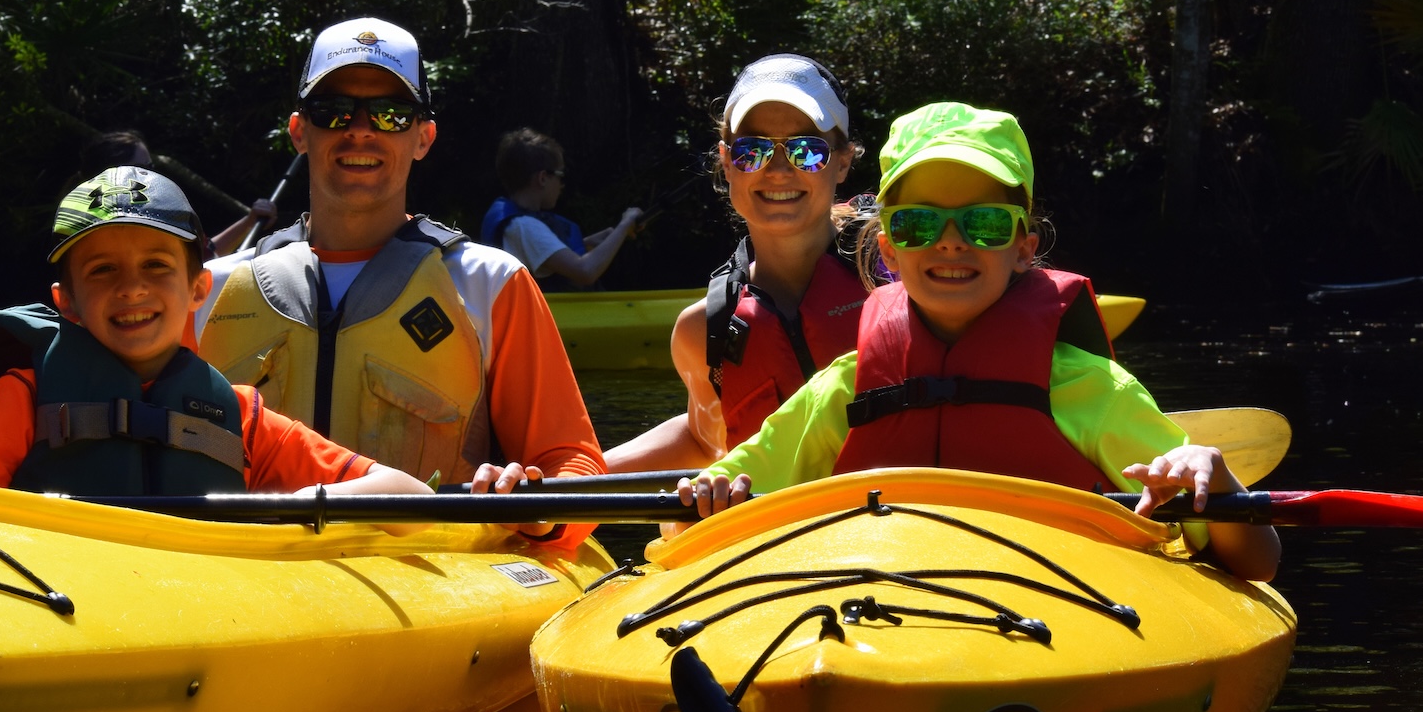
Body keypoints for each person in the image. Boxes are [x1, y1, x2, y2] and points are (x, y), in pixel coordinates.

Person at [676, 102, 1280, 583]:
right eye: (917, 223)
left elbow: (1257, 562)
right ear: (887, 249)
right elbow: (726, 495)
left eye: (984, 222)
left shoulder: (1089, 390)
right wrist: (711, 491)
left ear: (1023, 244)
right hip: (871, 613)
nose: (950, 242)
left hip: (1059, 616)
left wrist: (1215, 477)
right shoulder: (844, 388)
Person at [196, 18, 605, 545]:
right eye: (334, 110)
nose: (360, 130)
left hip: (426, 577)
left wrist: (539, 503)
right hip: (248, 573)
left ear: (423, 137)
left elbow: (572, 460)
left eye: (391, 114)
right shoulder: (204, 290)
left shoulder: (491, 283)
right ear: (300, 131)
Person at [0, 167, 432, 498]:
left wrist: (300, 509)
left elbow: (406, 492)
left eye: (156, 266)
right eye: (102, 270)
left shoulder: (242, 417)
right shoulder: (24, 394)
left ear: (199, 288)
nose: (131, 288)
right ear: (65, 301)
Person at [604, 54, 870, 474]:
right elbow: (704, 440)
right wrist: (564, 479)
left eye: (806, 150)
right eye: (753, 150)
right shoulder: (702, 332)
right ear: (727, 163)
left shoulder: (901, 271)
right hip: (779, 534)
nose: (779, 170)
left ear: (842, 162)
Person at [480, 128, 643, 289]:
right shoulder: (525, 227)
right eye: (560, 175)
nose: (562, 184)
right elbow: (585, 271)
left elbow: (539, 251)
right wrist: (624, 225)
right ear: (543, 178)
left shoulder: (516, 224)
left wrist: (586, 243)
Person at [83, 131, 277, 257]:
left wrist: (250, 222)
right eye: (142, 168)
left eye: (151, 167)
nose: (151, 174)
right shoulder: (91, 231)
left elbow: (207, 254)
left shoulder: (166, 215)